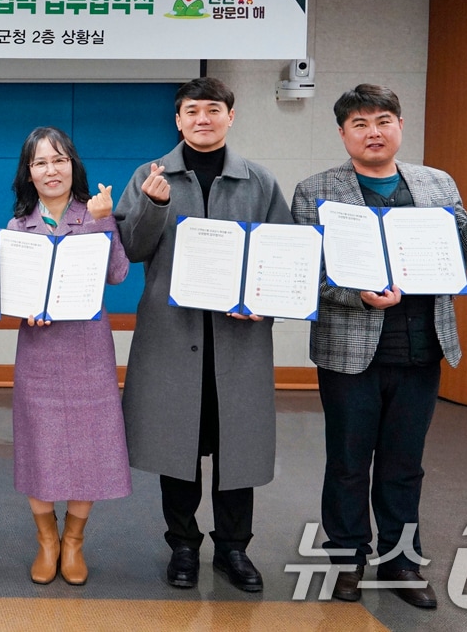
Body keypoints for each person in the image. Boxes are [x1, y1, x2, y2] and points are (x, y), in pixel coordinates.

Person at [291, 84, 467, 609]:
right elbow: (308, 273)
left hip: (421, 348)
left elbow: (461, 254)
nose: (374, 132)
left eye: (384, 120)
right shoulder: (315, 189)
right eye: (361, 124)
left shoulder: (435, 184)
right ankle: (347, 558)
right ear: (343, 132)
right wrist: (358, 296)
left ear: (399, 125)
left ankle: (401, 560)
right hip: (349, 350)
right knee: (348, 461)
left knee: (404, 463)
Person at [113, 77, 291, 593]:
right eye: (192, 110)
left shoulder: (258, 180)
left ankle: (235, 549)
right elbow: (133, 247)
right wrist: (153, 205)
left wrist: (265, 305)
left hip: (239, 341)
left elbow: (281, 254)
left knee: (239, 450)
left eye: (214, 109)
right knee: (178, 448)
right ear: (178, 120)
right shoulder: (150, 175)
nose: (203, 119)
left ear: (230, 117)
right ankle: (184, 547)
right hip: (174, 338)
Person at [7, 127, 131, 586]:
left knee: (90, 445)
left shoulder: (95, 213)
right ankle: (47, 540)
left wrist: (105, 221)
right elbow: (8, 292)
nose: (50, 170)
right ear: (29, 173)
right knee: (39, 445)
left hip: (88, 350)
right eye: (40, 163)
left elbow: (117, 274)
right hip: (38, 352)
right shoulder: (19, 228)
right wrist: (24, 307)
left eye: (58, 160)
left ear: (72, 165)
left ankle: (75, 541)